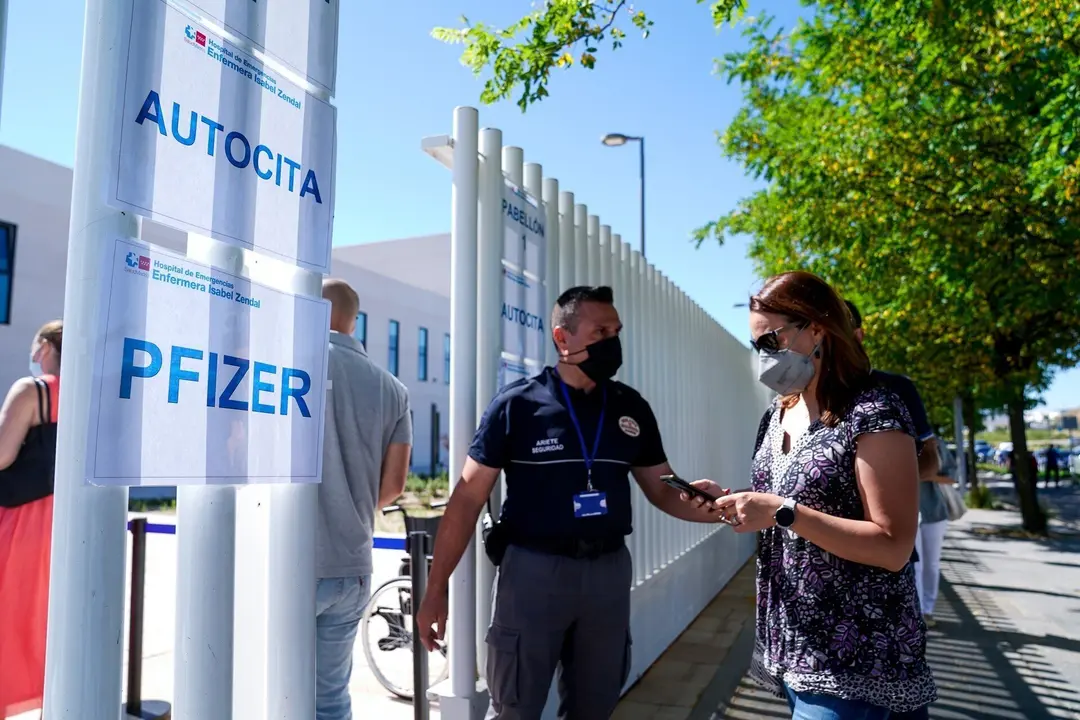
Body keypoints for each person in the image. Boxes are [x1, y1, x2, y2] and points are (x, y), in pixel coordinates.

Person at [416, 285, 723, 720]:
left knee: (594, 709)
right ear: (563, 338)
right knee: (516, 709)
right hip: (533, 575)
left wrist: (705, 502)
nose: (613, 341)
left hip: (608, 575)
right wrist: (436, 589)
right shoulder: (518, 405)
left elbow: (661, 487)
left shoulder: (630, 406)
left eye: (616, 330)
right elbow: (466, 499)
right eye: (600, 331)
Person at [708, 272, 936, 719]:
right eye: (758, 346)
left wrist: (782, 511)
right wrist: (735, 502)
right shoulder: (778, 412)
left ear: (817, 328)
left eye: (771, 340)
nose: (765, 357)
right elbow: (784, 502)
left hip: (856, 657)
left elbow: (892, 547)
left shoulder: (875, 412)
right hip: (793, 645)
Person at [317, 279, 412, 720]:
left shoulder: (293, 365)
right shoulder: (392, 388)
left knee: (270, 687)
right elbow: (393, 486)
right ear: (354, 320)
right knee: (331, 698)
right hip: (353, 566)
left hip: (295, 563)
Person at [0, 320, 62, 719]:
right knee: (46, 620)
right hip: (64, 527)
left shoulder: (31, 390)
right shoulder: (92, 394)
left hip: (20, 523)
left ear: (44, 347)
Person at [913, 439, 958, 627]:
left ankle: (927, 610)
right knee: (915, 565)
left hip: (934, 511)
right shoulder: (895, 436)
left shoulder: (935, 443)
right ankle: (917, 611)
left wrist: (927, 475)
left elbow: (952, 476)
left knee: (931, 564)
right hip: (907, 512)